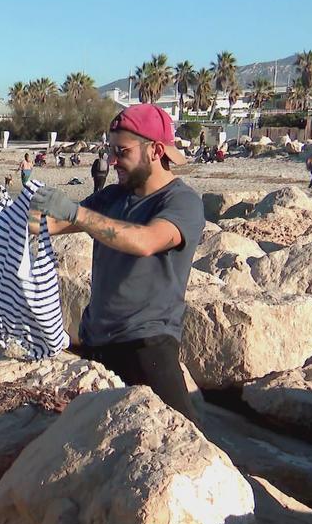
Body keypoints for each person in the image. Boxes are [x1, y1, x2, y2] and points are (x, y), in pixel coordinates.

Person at [29, 104, 204, 424]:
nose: (111, 160)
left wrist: (76, 213)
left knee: (181, 435)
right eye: (110, 150)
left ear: (155, 150)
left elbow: (145, 241)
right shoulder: (111, 197)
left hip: (147, 345)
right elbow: (51, 224)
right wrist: (23, 212)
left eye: (121, 151)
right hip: (96, 343)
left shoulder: (181, 202)